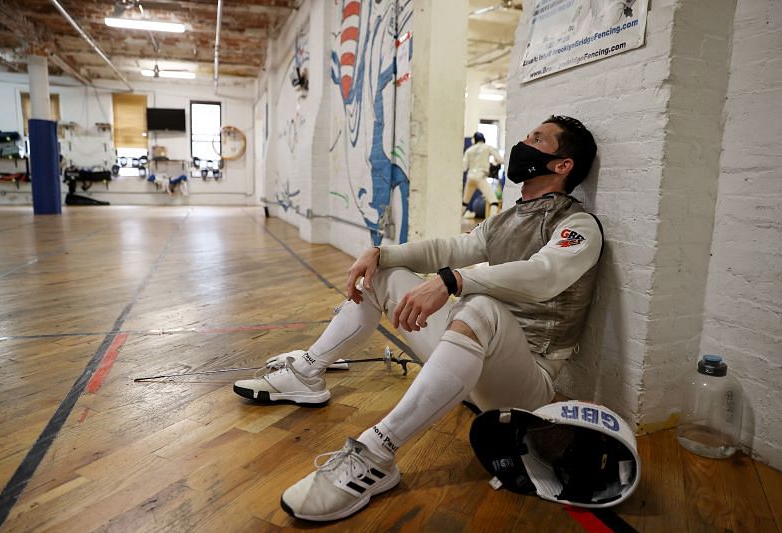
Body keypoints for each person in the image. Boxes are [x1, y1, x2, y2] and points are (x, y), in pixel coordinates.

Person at [234, 115, 602, 522]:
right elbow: (453, 248)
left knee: (480, 307)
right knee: (384, 276)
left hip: (525, 385)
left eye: (537, 138)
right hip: (471, 363)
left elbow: (544, 276)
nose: (523, 142)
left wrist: (455, 280)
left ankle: (376, 454)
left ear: (562, 164)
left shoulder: (577, 224)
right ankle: (307, 373)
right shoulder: (507, 218)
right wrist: (383, 253)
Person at [462, 132, 505, 219]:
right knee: (494, 202)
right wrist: (495, 163)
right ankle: (491, 224)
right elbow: (500, 160)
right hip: (480, 177)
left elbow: (464, 168)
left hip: (470, 177)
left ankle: (453, 221)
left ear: (474, 140)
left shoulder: (469, 150)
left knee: (464, 203)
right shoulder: (487, 147)